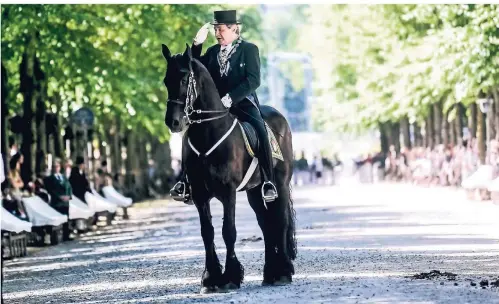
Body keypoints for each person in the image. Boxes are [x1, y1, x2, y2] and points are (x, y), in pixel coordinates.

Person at [170, 10, 278, 203]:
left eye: (220, 29)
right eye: (215, 30)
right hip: (214, 108)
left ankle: (268, 181)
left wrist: (230, 98)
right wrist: (197, 44)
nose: (217, 34)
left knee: (261, 130)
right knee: (189, 133)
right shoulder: (212, 52)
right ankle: (184, 181)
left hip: (243, 103)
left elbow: (253, 80)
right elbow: (193, 67)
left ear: (234, 28)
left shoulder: (249, 49)